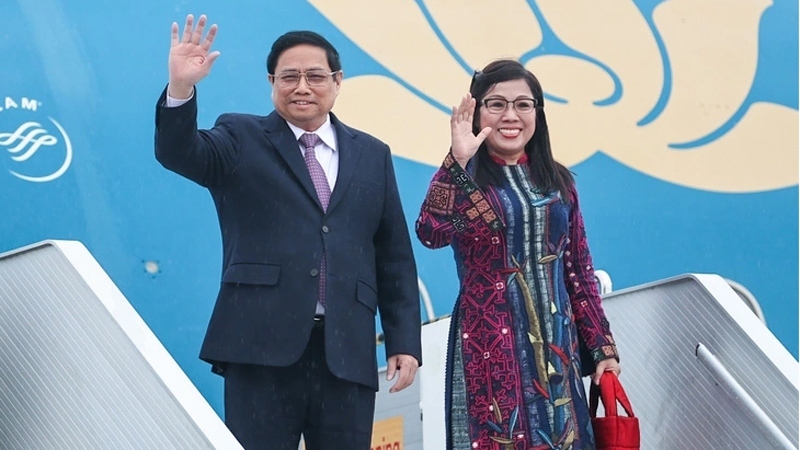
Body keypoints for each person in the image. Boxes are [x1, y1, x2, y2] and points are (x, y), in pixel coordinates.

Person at [154, 14, 422, 450]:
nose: (302, 86)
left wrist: (404, 342)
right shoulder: (240, 136)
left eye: (315, 76)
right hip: (260, 347)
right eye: (289, 76)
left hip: (346, 350)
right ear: (271, 81)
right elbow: (179, 152)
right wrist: (181, 88)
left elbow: (392, 253)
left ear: (337, 81)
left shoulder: (372, 154)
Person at [415, 59, 621, 449]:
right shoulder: (466, 179)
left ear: (537, 114)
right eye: (497, 104)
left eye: (523, 104)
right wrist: (455, 162)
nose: (511, 115)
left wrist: (602, 348)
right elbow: (430, 232)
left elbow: (576, 270)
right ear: (477, 112)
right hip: (490, 347)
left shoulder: (558, 182)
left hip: (559, 349)